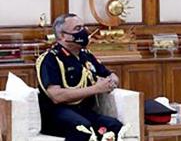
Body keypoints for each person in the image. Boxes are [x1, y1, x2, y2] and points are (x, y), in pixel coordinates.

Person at [36, 13, 127, 141]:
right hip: (57, 113)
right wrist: (96, 88)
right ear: (62, 35)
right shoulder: (50, 59)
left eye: (84, 27)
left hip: (84, 112)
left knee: (114, 126)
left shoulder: (86, 55)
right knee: (82, 128)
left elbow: (111, 76)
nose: (84, 32)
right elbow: (56, 96)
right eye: (78, 29)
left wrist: (110, 82)